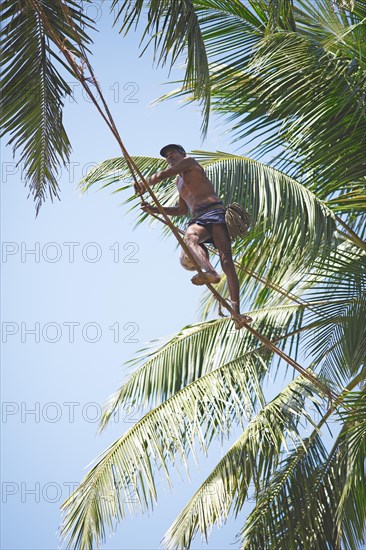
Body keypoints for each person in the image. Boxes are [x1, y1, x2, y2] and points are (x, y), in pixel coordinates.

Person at [134, 144, 252, 328]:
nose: (170, 158)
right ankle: (210, 272)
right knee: (190, 238)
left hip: (215, 213)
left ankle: (237, 313)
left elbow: (163, 174)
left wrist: (144, 184)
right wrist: (154, 209)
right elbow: (182, 210)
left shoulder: (189, 162)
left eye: (173, 154)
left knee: (227, 261)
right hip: (198, 218)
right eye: (167, 157)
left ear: (182, 154)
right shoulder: (178, 182)